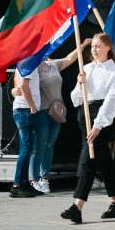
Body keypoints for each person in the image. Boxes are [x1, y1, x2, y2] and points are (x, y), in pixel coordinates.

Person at [60, 34, 115, 224]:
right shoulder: (86, 69)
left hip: (102, 117)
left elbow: (113, 100)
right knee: (103, 161)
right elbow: (75, 99)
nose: (94, 50)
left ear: (107, 48)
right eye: (93, 47)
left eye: (98, 46)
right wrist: (81, 85)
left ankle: (76, 207)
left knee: (88, 160)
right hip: (85, 114)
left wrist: (98, 125)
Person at [30, 41, 90, 195]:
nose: (45, 52)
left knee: (49, 145)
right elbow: (20, 82)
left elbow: (69, 59)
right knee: (40, 145)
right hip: (42, 111)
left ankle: (44, 178)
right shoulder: (32, 68)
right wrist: (15, 91)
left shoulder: (53, 65)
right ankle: (33, 179)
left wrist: (82, 46)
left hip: (57, 111)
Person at [10, 68, 41, 198]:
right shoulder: (29, 63)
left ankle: (24, 183)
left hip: (25, 109)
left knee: (28, 148)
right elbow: (23, 85)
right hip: (25, 110)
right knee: (26, 147)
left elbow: (17, 83)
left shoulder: (26, 63)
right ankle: (17, 185)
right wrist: (32, 105)